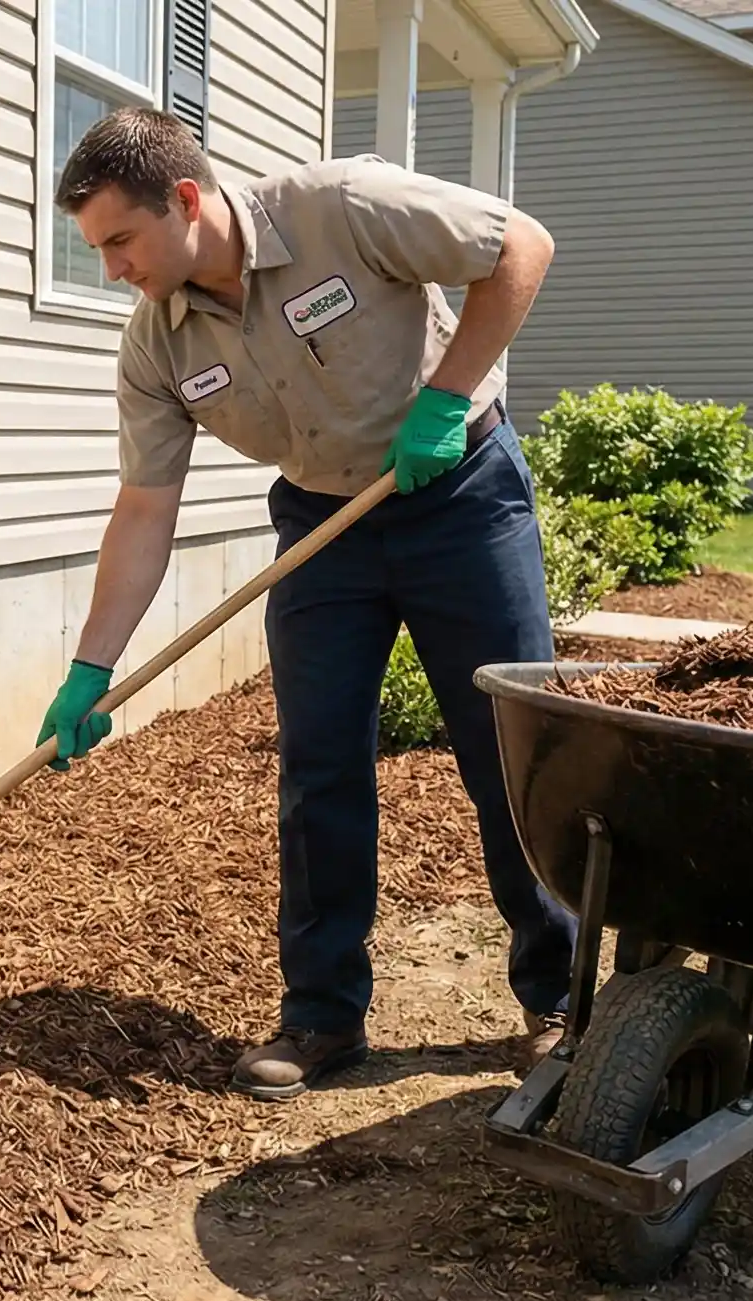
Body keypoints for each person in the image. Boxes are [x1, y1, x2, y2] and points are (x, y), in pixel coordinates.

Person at [33, 107, 577, 1100]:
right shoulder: (155, 345)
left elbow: (519, 247)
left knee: (508, 747)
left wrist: (447, 395)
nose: (112, 269)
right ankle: (323, 1015)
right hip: (325, 525)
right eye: (97, 249)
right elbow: (144, 510)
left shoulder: (342, 207)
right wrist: (90, 669)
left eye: (119, 241)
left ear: (185, 202)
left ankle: (559, 998)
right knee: (317, 765)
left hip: (457, 495)